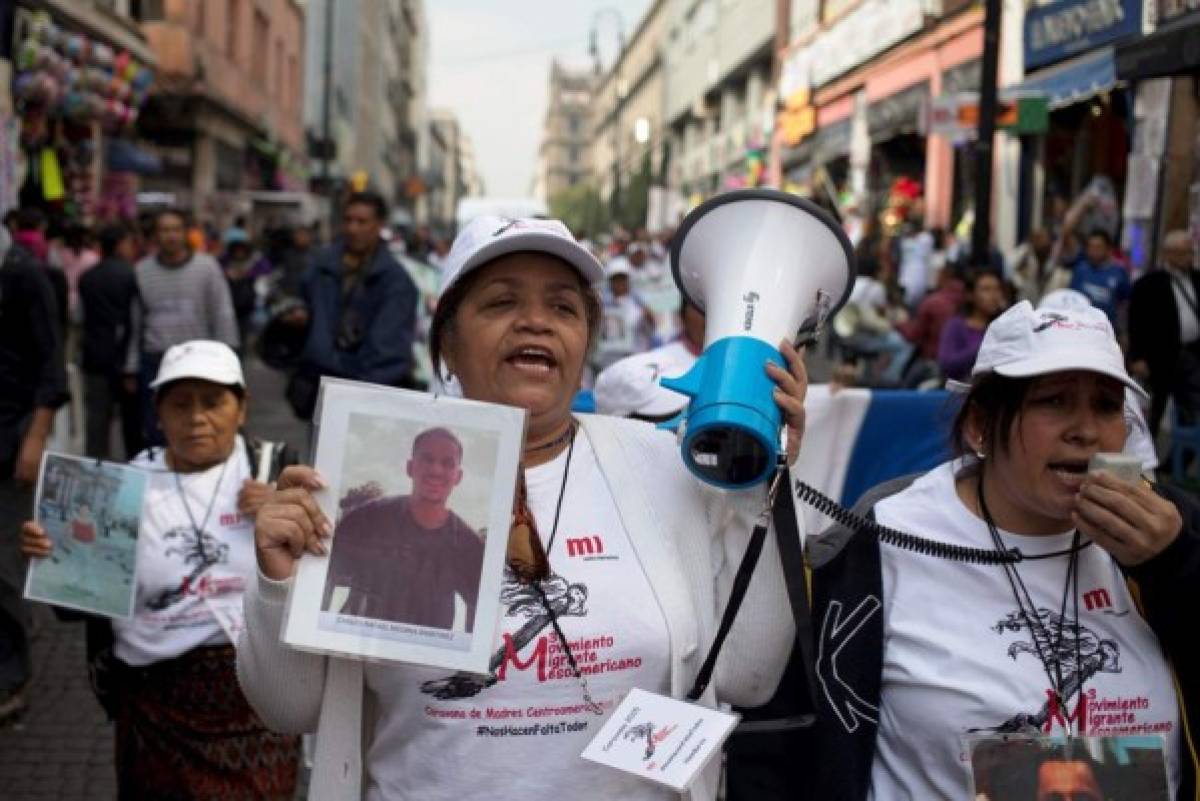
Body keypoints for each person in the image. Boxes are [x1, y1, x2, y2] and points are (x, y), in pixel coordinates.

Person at [239, 214, 803, 800]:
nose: (535, 321)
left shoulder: (661, 465)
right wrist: (278, 583)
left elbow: (749, 675)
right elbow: (288, 707)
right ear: (446, 345)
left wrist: (761, 479)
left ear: (585, 342)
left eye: (563, 308)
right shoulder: (366, 477)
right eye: (501, 302)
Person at [807, 300, 1199, 800]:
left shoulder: (1166, 527)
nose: (1085, 429)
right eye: (1054, 401)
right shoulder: (885, 534)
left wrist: (1176, 565)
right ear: (979, 426)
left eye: (1105, 405)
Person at [21, 340, 300, 797]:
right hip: (158, 708)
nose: (196, 418)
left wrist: (287, 515)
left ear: (242, 407)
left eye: (213, 402)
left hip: (255, 705)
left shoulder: (276, 471)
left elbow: (335, 574)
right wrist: (52, 557)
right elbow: (77, 604)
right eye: (180, 404)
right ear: (158, 413)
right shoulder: (115, 491)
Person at [0, 226, 68, 725]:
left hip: (9, 442)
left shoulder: (25, 277)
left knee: (4, 569)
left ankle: (11, 679)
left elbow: (52, 370)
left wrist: (35, 439)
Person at [321, 427, 483, 630]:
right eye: (427, 459)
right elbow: (323, 578)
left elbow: (478, 614)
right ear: (410, 467)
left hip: (423, 656)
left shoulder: (468, 545)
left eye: (447, 463)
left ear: (458, 476)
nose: (436, 470)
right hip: (355, 647)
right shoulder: (366, 520)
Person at [288, 191, 419, 419]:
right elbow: (297, 304)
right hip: (317, 392)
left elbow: (388, 354)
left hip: (364, 402)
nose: (353, 228)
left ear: (378, 225)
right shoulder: (321, 267)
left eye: (362, 222)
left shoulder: (396, 282)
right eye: (348, 220)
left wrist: (356, 398)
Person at [126, 208, 240, 445]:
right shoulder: (141, 271)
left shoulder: (207, 268)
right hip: (156, 361)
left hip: (198, 362)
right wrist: (132, 365)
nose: (171, 236)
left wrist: (229, 360)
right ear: (155, 235)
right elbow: (136, 322)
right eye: (164, 230)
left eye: (176, 230)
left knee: (198, 429)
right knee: (156, 430)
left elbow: (222, 313)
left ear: (186, 233)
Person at [79, 223, 142, 460]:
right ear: (119, 245)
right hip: (125, 359)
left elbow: (80, 316)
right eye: (128, 243)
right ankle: (135, 468)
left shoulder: (88, 277)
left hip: (94, 355)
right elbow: (135, 319)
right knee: (131, 421)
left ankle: (96, 466)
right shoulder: (131, 275)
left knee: (97, 419)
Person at [1129, 229, 1200, 436]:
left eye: (1190, 252)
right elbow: (1136, 323)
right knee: (1153, 410)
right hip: (1158, 357)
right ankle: (1147, 460)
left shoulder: (1196, 280)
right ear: (1168, 254)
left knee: (1192, 408)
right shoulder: (1148, 284)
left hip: (1192, 354)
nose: (1188, 258)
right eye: (1182, 253)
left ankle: (1178, 461)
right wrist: (1138, 356)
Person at [590, 257, 657, 374]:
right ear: (610, 282)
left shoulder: (639, 305)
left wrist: (649, 317)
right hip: (609, 366)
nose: (619, 283)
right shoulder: (601, 307)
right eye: (616, 279)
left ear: (628, 280)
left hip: (636, 365)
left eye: (622, 278)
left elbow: (650, 331)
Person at [937, 270, 1006, 382]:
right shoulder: (956, 326)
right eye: (986, 289)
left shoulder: (1004, 325)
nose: (994, 296)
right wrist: (985, 346)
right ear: (970, 295)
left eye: (997, 289)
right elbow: (947, 365)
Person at [1068, 229, 1131, 327]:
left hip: (1106, 329)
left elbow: (1125, 304)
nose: (1093, 251)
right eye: (1090, 247)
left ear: (1109, 249)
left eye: (1098, 247)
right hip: (1079, 327)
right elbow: (1071, 297)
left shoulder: (1119, 273)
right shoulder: (1080, 270)